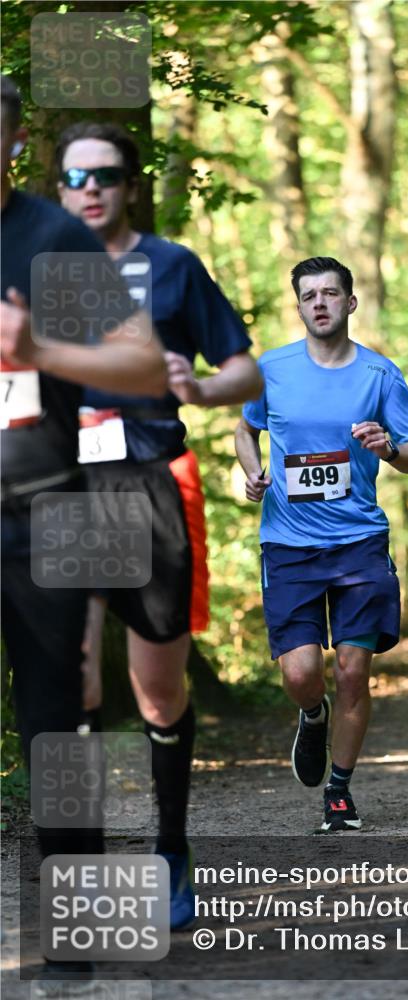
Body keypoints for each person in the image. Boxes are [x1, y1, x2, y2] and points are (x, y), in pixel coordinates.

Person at [54, 121, 263, 928]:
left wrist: (204, 392)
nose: (90, 189)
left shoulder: (171, 266)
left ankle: (171, 846)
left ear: (130, 183)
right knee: (71, 678)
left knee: (157, 688)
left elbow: (240, 366)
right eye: (75, 177)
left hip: (146, 480)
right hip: (60, 486)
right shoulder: (32, 267)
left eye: (105, 174)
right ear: (60, 186)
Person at [1, 75, 167, 992]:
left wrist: (41, 353)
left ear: (13, 141)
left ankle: (74, 932)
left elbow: (142, 365)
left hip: (44, 511)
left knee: (55, 727)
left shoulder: (50, 238)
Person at [234, 256, 408, 831]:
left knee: (352, 670)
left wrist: (389, 446)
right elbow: (246, 428)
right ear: (298, 306)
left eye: (329, 293)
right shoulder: (271, 370)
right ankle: (311, 716)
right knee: (301, 675)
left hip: (360, 543)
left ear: (350, 303)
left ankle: (339, 793)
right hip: (289, 545)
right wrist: (250, 472)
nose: (318, 303)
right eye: (308, 295)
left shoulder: (379, 376)